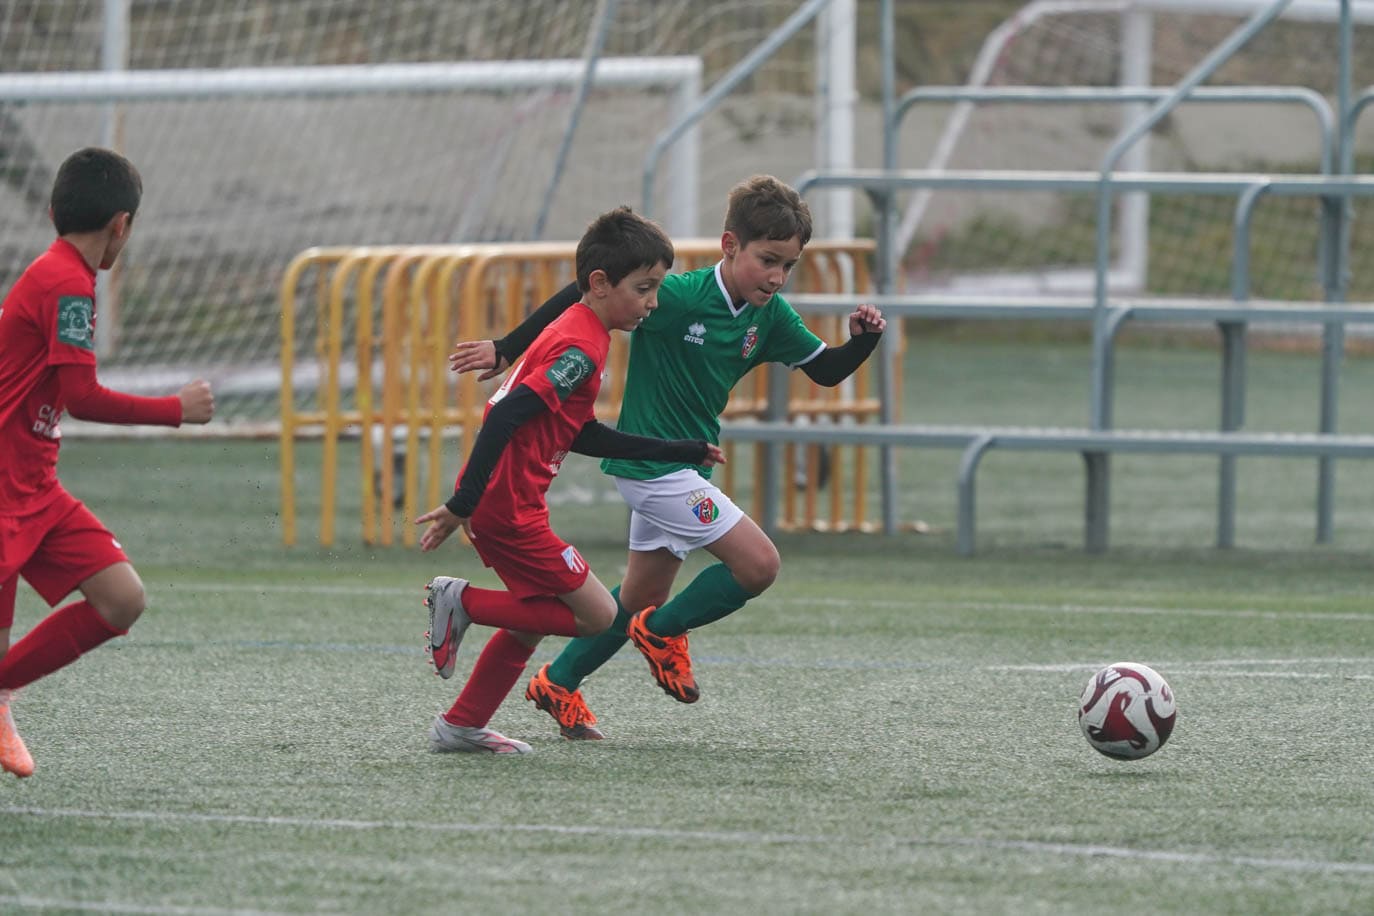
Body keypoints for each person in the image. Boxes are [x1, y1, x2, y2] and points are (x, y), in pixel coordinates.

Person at [449, 174, 887, 741]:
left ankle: (559, 682)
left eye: (789, 265)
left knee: (637, 597)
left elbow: (825, 370)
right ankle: (663, 632)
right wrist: (509, 346)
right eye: (767, 259)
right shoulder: (676, 296)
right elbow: (583, 294)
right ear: (731, 246)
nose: (777, 276)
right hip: (653, 470)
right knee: (758, 566)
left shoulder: (770, 316)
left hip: (685, 465)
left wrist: (862, 342)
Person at [416, 206, 725, 754]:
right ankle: (463, 602)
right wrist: (462, 503)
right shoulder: (582, 349)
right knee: (597, 615)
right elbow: (506, 417)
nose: (653, 302)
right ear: (601, 284)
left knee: (536, 618)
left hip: (504, 501)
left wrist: (676, 450)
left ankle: (461, 724)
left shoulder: (580, 327)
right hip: (507, 509)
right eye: (644, 288)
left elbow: (581, 434)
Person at [0, 147, 216, 778]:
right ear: (122, 224)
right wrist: (176, 409)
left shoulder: (61, 275)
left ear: (52, 212)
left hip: (32, 484)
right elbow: (83, 397)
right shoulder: (66, 284)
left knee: (121, 598)